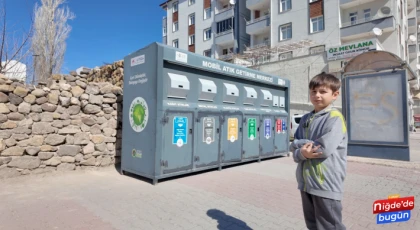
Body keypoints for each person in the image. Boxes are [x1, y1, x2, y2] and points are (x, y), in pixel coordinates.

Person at [289, 72, 348, 230]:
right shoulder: (305, 118)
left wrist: (302, 148)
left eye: (323, 92)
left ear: (335, 94)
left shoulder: (335, 118)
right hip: (306, 183)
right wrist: (301, 152)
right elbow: (293, 146)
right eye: (313, 92)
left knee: (330, 226)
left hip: (325, 184)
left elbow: (322, 149)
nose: (317, 95)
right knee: (312, 225)